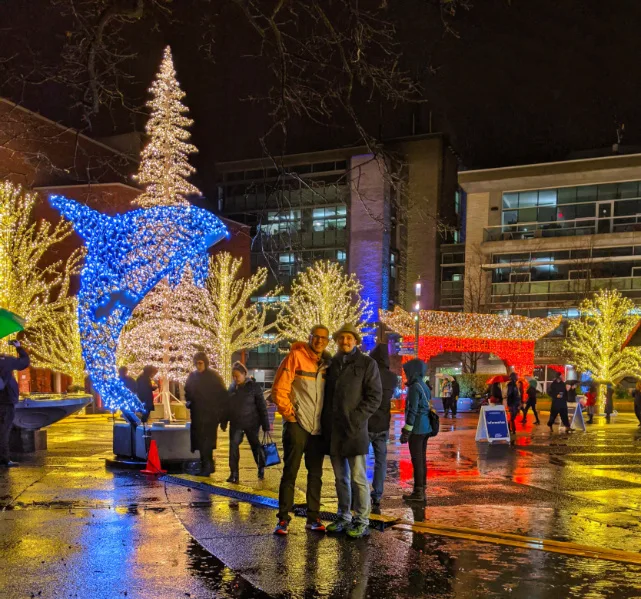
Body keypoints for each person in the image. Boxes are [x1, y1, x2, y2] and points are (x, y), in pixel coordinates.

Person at [323, 323, 382, 539]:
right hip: (334, 431)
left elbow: (374, 396)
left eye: (349, 338)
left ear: (356, 341)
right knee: (340, 479)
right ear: (337, 341)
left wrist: (356, 418)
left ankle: (362, 519)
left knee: (358, 477)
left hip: (355, 430)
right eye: (341, 338)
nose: (345, 342)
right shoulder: (332, 363)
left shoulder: (367, 363)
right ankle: (343, 515)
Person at [272, 325, 332, 536]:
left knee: (315, 474)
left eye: (323, 338)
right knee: (290, 472)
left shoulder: (328, 363)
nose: (319, 341)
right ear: (310, 337)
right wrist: (289, 415)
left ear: (327, 341)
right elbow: (279, 388)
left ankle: (313, 517)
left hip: (318, 428)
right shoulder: (295, 357)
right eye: (316, 337)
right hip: (297, 424)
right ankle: (283, 519)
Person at [222, 361, 270, 483]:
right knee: (233, 446)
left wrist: (266, 425)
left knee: (255, 446)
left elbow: (262, 407)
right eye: (233, 376)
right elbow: (227, 406)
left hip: (252, 423)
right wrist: (223, 420)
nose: (235, 378)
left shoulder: (254, 387)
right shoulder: (232, 387)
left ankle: (261, 467)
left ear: (244, 374)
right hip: (236, 423)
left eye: (237, 375)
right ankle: (234, 473)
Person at [184, 352, 228, 477]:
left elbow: (222, 394)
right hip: (197, 414)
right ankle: (206, 464)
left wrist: (222, 414)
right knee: (200, 441)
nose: (198, 366)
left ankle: (207, 465)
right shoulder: (193, 376)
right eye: (196, 363)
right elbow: (187, 390)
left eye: (200, 363)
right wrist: (189, 401)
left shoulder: (213, 376)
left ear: (205, 363)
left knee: (206, 442)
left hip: (210, 415)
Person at [368, 343, 396, 509]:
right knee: (381, 461)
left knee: (358, 461)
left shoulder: (369, 373)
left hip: (367, 423)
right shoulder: (392, 378)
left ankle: (357, 494)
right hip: (383, 424)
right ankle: (377, 494)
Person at [399, 359, 432, 503]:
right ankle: (421, 488)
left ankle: (418, 492)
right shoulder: (424, 385)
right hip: (425, 427)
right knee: (422, 460)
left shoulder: (414, 387)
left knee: (417, 460)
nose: (406, 374)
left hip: (417, 428)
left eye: (407, 371)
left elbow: (412, 411)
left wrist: (406, 431)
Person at [0, 334, 30, 468]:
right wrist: (18, 347)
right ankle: (4, 460)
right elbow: (24, 362)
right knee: (4, 431)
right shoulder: (5, 360)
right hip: (5, 402)